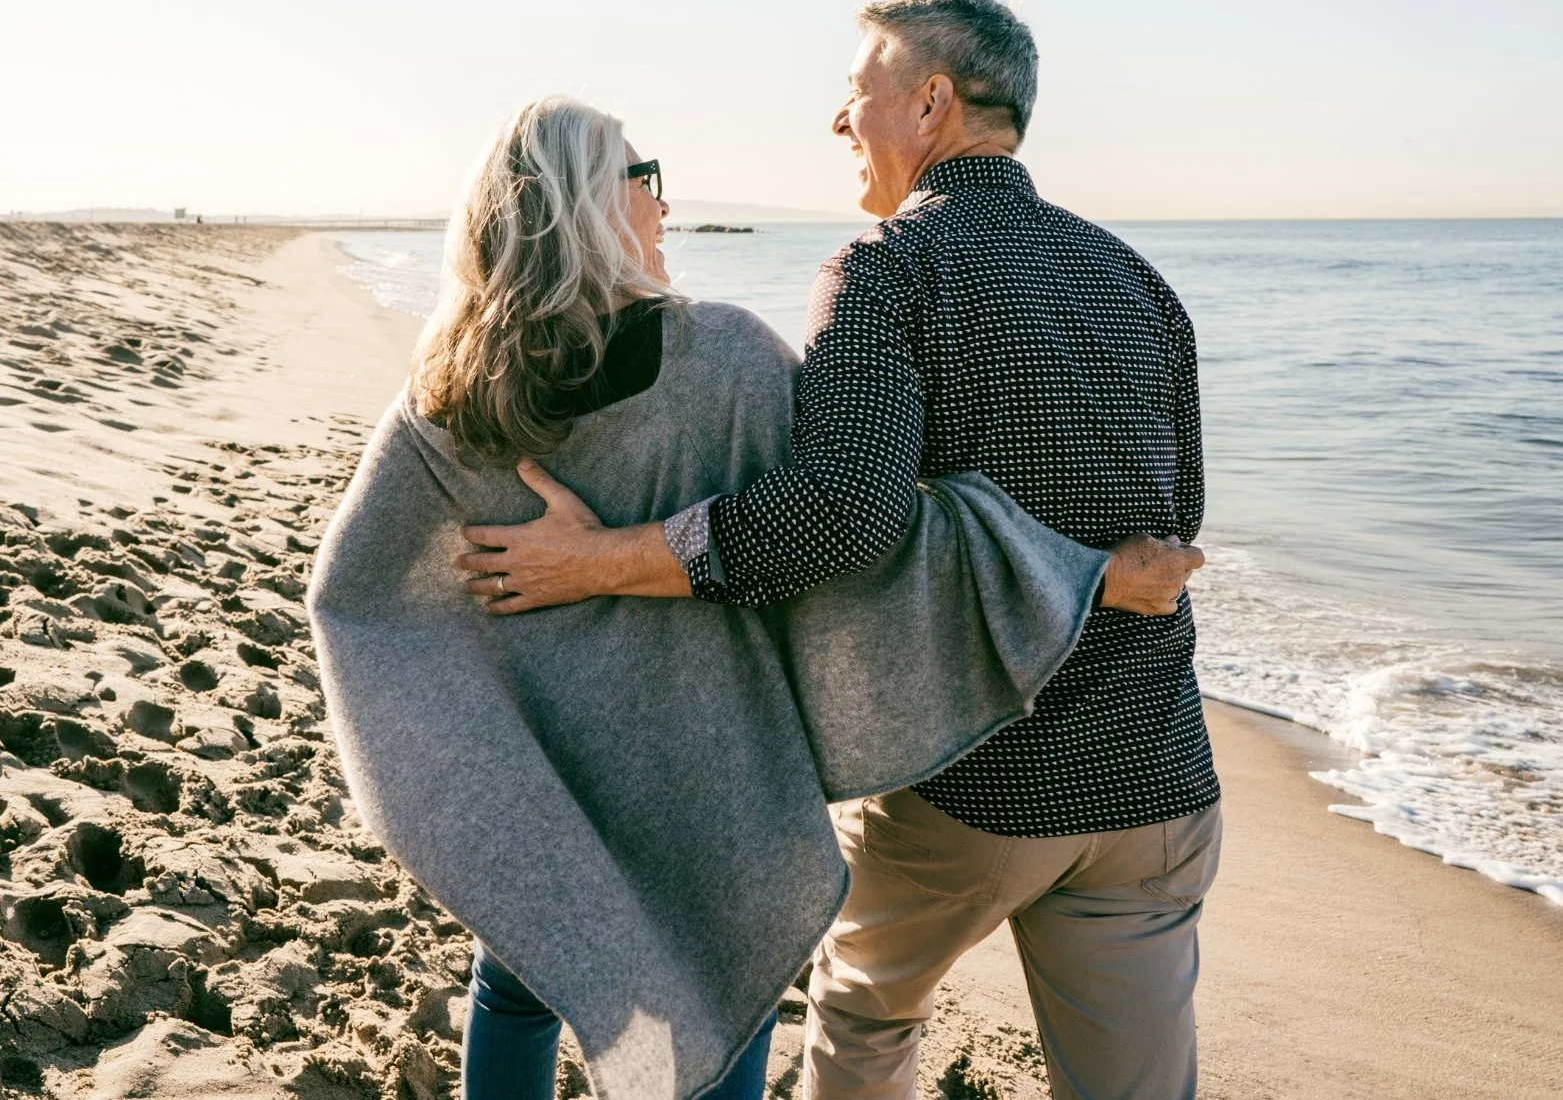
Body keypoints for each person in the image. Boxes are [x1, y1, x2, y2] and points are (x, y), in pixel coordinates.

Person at [313, 92, 1197, 1100]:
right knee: (727, 983)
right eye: (645, 182)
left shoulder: (450, 390)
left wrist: (465, 739)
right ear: (591, 205)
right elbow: (862, 533)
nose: (663, 208)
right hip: (712, 762)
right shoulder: (723, 358)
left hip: (546, 762)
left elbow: (358, 596)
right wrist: (1079, 569)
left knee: (517, 983)